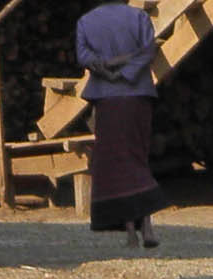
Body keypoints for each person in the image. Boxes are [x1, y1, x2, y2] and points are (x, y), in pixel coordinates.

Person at [75, 0, 168, 248]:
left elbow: (83, 56)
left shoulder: (86, 21)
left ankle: (130, 231)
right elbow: (147, 52)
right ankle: (146, 226)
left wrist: (106, 70)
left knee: (117, 162)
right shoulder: (139, 18)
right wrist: (124, 73)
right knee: (137, 158)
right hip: (136, 95)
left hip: (106, 98)